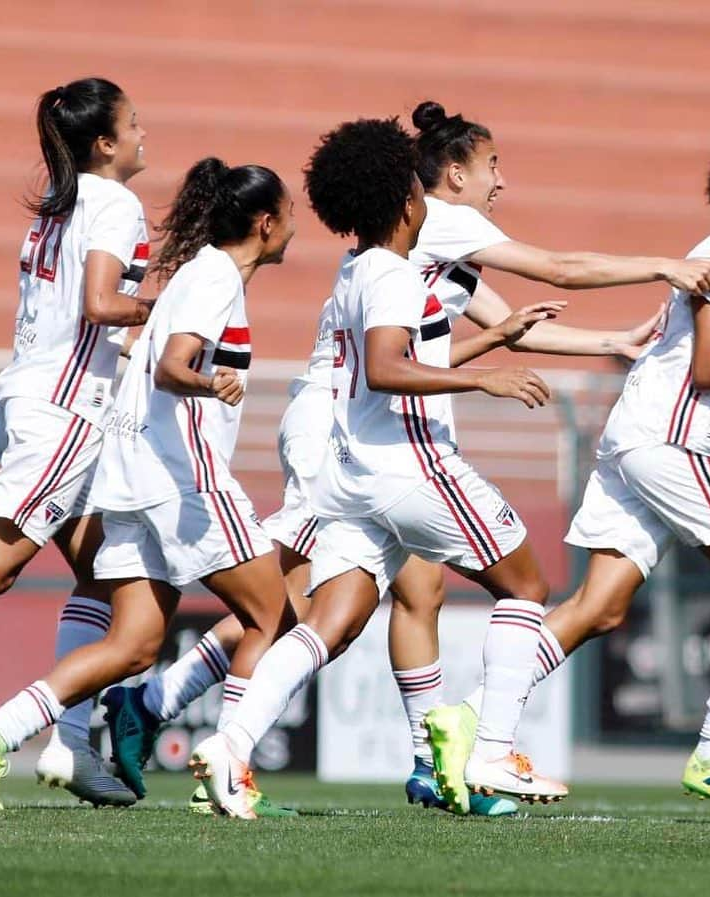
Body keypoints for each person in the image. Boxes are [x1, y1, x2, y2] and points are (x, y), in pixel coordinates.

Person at [104, 99, 710, 815]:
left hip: (354, 444)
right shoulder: (433, 229)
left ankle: (249, 740)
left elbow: (500, 328)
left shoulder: (393, 255)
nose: (500, 182)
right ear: (445, 175)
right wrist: (664, 266)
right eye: (492, 165)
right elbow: (552, 270)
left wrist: (608, 343)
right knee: (477, 589)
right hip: (376, 437)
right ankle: (472, 750)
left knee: (349, 608)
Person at [427, 117, 710, 817]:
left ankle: (467, 716)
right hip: (675, 442)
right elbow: (709, 371)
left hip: (641, 437)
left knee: (598, 606)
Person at [184, 116, 567, 819]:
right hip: (409, 464)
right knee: (525, 587)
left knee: (335, 617)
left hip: (353, 473)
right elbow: (391, 369)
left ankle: (231, 740)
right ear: (407, 203)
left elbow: (380, 366)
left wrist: (491, 342)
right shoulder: (393, 273)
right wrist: (482, 378)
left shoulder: (358, 266)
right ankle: (490, 748)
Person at [0, 158, 297, 812]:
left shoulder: (200, 278)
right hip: (184, 481)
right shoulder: (216, 276)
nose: (294, 231)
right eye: (289, 217)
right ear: (265, 222)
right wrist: (206, 381)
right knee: (274, 616)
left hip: (132, 484)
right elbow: (171, 367)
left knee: (132, 646)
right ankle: (229, 769)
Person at [0, 77, 151, 806]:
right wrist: (168, 307)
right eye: (134, 123)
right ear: (104, 142)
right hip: (66, 412)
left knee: (110, 586)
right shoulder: (114, 202)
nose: (145, 133)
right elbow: (102, 304)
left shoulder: (57, 206)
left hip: (34, 399)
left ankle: (72, 745)